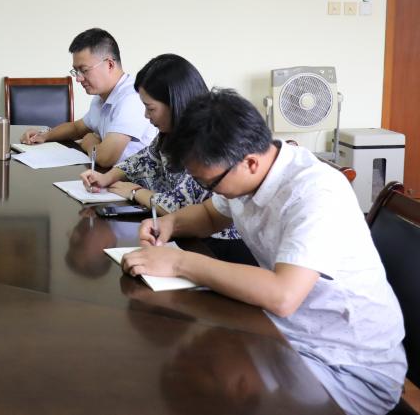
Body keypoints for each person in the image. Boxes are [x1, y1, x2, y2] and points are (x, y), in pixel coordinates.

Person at [121, 89, 406, 415]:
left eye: (209, 183)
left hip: (347, 366)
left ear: (250, 163)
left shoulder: (315, 192)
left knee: (207, 391)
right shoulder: (248, 169)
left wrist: (180, 263)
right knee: (189, 365)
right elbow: (211, 215)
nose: (209, 190)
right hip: (287, 333)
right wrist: (170, 224)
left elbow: (283, 295)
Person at [79, 54, 250, 262]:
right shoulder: (169, 132)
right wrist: (108, 177)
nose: (146, 115)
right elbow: (144, 158)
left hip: (218, 243)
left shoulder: (205, 141)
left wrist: (135, 192)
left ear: (174, 103)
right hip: (185, 231)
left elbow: (181, 206)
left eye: (150, 108)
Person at [20, 28, 154, 168]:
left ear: (109, 64)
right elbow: (77, 128)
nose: (78, 79)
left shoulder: (132, 98)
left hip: (135, 180)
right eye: (76, 71)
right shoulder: (101, 97)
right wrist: (44, 135)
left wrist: (89, 141)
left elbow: (105, 158)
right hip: (109, 175)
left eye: (84, 70)